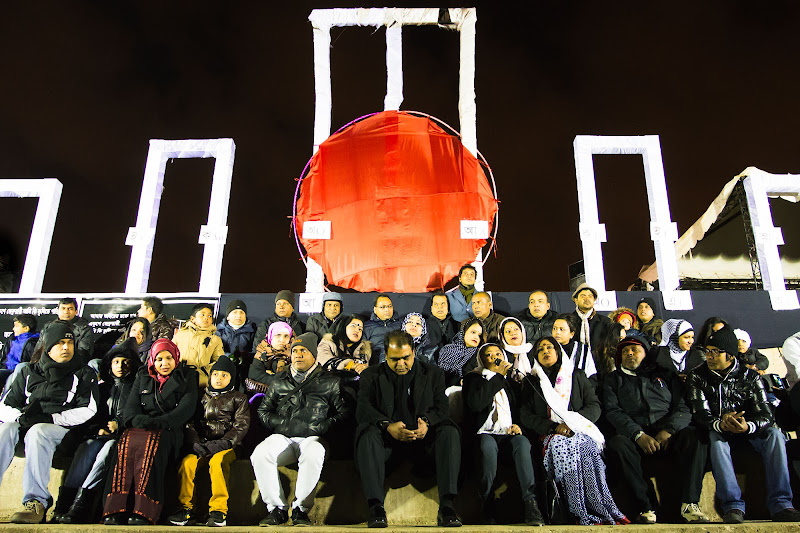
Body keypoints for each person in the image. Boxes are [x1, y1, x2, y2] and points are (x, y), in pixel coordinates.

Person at [687, 326, 800, 523]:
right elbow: (700, 413)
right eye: (708, 351)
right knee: (715, 438)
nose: (710, 356)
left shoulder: (751, 377)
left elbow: (765, 413)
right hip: (720, 432)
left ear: (730, 355)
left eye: (715, 352)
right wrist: (720, 424)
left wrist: (747, 426)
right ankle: (733, 506)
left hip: (749, 432)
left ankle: (781, 505)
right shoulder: (697, 376)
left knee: (774, 434)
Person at [354, 330, 462, 528]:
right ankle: (376, 507)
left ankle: (447, 506)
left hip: (423, 443)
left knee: (449, 431)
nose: (401, 364)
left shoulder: (433, 373)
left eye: (406, 358)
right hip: (386, 444)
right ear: (385, 356)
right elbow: (363, 409)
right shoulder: (371, 375)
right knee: (367, 434)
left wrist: (427, 423)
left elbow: (442, 407)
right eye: (394, 359)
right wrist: (387, 426)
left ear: (414, 352)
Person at [520, 336, 627, 526]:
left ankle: (596, 507)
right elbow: (526, 415)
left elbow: (594, 406)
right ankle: (575, 510)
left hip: (579, 431)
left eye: (550, 347)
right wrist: (553, 427)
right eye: (541, 349)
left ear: (559, 351)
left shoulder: (576, 375)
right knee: (561, 445)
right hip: (550, 435)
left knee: (586, 448)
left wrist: (572, 425)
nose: (545, 351)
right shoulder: (532, 382)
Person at [603, 335, 709, 524]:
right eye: (625, 351)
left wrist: (668, 430)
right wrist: (638, 435)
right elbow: (613, 412)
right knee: (617, 444)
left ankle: (690, 504)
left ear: (646, 352)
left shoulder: (665, 374)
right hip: (636, 435)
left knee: (695, 436)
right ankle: (646, 507)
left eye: (635, 350)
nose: (629, 354)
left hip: (668, 433)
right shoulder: (613, 380)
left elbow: (683, 407)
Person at [0, 323, 100, 524]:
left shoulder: (83, 373)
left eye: (70, 342)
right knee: (5, 428)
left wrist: (51, 419)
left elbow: (88, 409)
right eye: (60, 343)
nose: (66, 347)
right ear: (48, 346)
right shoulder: (28, 371)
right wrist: (20, 418)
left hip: (65, 432)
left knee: (39, 431)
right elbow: (5, 405)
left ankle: (36, 501)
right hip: (28, 426)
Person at [252, 333, 351, 526]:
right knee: (260, 454)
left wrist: (321, 426)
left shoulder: (330, 381)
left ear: (313, 354)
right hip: (284, 437)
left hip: (314, 438)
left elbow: (343, 413)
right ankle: (276, 509)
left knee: (314, 451)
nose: (298, 355)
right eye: (294, 351)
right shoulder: (279, 380)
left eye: (303, 351)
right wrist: (281, 424)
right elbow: (264, 410)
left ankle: (300, 510)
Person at [102, 338, 198, 525]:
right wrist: (143, 421)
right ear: (153, 360)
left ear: (176, 358)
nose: (164, 363)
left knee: (153, 443)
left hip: (169, 429)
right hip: (142, 426)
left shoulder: (187, 377)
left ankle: (144, 510)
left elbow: (186, 409)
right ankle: (117, 508)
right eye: (160, 359)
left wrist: (157, 422)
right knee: (125, 442)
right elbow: (131, 409)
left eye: (169, 358)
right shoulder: (142, 376)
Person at [52, 338, 140, 524]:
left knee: (107, 452)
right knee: (86, 448)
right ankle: (63, 506)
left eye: (126, 362)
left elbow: (137, 414)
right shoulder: (102, 388)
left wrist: (118, 424)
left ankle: (81, 506)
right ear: (109, 365)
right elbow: (90, 415)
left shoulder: (137, 387)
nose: (121, 366)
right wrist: (98, 429)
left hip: (123, 436)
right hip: (99, 435)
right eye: (116, 362)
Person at [462, 343, 543, 526]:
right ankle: (487, 503)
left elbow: (520, 410)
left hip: (507, 434)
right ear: (481, 360)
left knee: (522, 443)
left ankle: (531, 504)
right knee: (487, 446)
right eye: (489, 355)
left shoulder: (511, 382)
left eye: (498, 354)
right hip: (485, 433)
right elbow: (476, 404)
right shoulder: (472, 379)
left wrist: (517, 425)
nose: (495, 357)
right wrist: (498, 376)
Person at [171, 356, 250, 527]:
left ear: (231, 378)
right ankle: (185, 509)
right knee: (187, 464)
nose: (219, 378)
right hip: (202, 444)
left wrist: (224, 443)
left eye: (224, 375)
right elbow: (190, 422)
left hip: (228, 446)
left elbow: (241, 426)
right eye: (216, 374)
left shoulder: (239, 398)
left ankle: (218, 510)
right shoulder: (200, 396)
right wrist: (194, 442)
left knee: (218, 463)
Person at [173, 303, 225, 388]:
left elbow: (218, 361)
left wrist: (205, 372)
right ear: (193, 319)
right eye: (202, 315)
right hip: (179, 377)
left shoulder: (215, 339)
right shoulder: (181, 334)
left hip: (200, 380)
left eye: (209, 316)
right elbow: (170, 353)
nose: (206, 318)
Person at [215, 299, 257, 385]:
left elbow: (255, 351)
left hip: (244, 370)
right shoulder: (219, 331)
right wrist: (230, 357)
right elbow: (215, 351)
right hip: (224, 368)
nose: (238, 316)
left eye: (241, 312)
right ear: (228, 316)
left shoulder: (253, 331)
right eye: (235, 312)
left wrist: (244, 356)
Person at [246, 321, 294, 394]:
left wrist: (269, 376)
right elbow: (255, 375)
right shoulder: (262, 351)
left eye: (286, 336)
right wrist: (280, 381)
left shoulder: (295, 353)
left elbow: (296, 378)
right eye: (278, 335)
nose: (282, 340)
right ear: (270, 336)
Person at [438, 317, 484, 387]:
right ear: (464, 332)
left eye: (479, 335)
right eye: (473, 332)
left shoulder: (479, 356)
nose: (476, 337)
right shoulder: (447, 350)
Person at [552, 313, 597, 382]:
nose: (557, 332)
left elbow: (591, 376)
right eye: (554, 328)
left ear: (572, 333)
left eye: (562, 329)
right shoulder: (547, 348)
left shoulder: (582, 350)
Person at [571, 284, 612, 356]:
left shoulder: (605, 322)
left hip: (598, 363)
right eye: (583, 296)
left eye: (590, 296)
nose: (587, 299)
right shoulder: (568, 321)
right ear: (576, 300)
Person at [0, 314, 39, 388]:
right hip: (7, 369)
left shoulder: (33, 342)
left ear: (26, 328)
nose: (13, 329)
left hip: (20, 373)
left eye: (16, 326)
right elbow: (4, 358)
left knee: (10, 381)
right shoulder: (12, 339)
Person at [363, 293, 402, 363]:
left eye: (389, 306)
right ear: (375, 309)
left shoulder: (400, 324)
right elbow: (362, 348)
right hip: (377, 360)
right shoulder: (367, 326)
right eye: (382, 307)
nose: (387, 309)